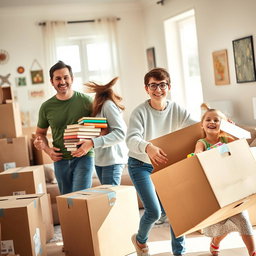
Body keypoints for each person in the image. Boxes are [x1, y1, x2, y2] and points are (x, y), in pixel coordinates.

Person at [126, 67, 197, 256]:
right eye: (153, 85)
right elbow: (131, 139)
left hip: (165, 164)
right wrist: (148, 147)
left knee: (176, 211)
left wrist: (220, 123)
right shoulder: (139, 112)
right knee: (154, 212)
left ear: (169, 86)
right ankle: (140, 241)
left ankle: (179, 253)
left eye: (162, 85)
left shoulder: (176, 109)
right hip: (140, 165)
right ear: (146, 88)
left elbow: (197, 127)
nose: (158, 89)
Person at [194, 103, 256, 256]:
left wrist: (233, 131)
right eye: (208, 119)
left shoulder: (227, 139)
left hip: (233, 187)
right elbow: (197, 155)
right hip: (215, 188)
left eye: (217, 120)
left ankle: (253, 252)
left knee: (242, 220)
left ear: (223, 125)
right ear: (202, 125)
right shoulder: (202, 142)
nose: (212, 122)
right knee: (222, 223)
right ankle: (215, 242)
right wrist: (208, 153)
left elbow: (240, 146)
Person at [33, 60, 94, 195]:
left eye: (66, 77)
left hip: (83, 157)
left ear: (72, 78)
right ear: (52, 81)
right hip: (60, 160)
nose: (62, 82)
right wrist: (47, 150)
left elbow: (101, 129)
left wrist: (89, 145)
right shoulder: (46, 107)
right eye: (58, 78)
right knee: (68, 201)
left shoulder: (86, 101)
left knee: (81, 198)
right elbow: (40, 133)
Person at [80, 77, 128, 185]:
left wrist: (92, 143)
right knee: (106, 199)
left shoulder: (108, 105)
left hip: (112, 161)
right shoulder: (98, 108)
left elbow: (121, 133)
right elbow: (101, 132)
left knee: (110, 199)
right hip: (101, 161)